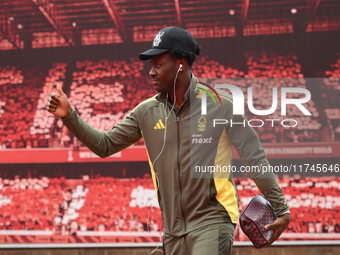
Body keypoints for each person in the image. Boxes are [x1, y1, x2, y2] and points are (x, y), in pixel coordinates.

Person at [46, 27, 290, 255]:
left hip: (212, 221)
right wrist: (70, 116)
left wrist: (281, 208)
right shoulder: (145, 112)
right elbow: (105, 145)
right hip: (171, 233)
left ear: (181, 65)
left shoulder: (221, 104)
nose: (151, 72)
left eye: (158, 64)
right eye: (152, 65)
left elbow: (254, 157)